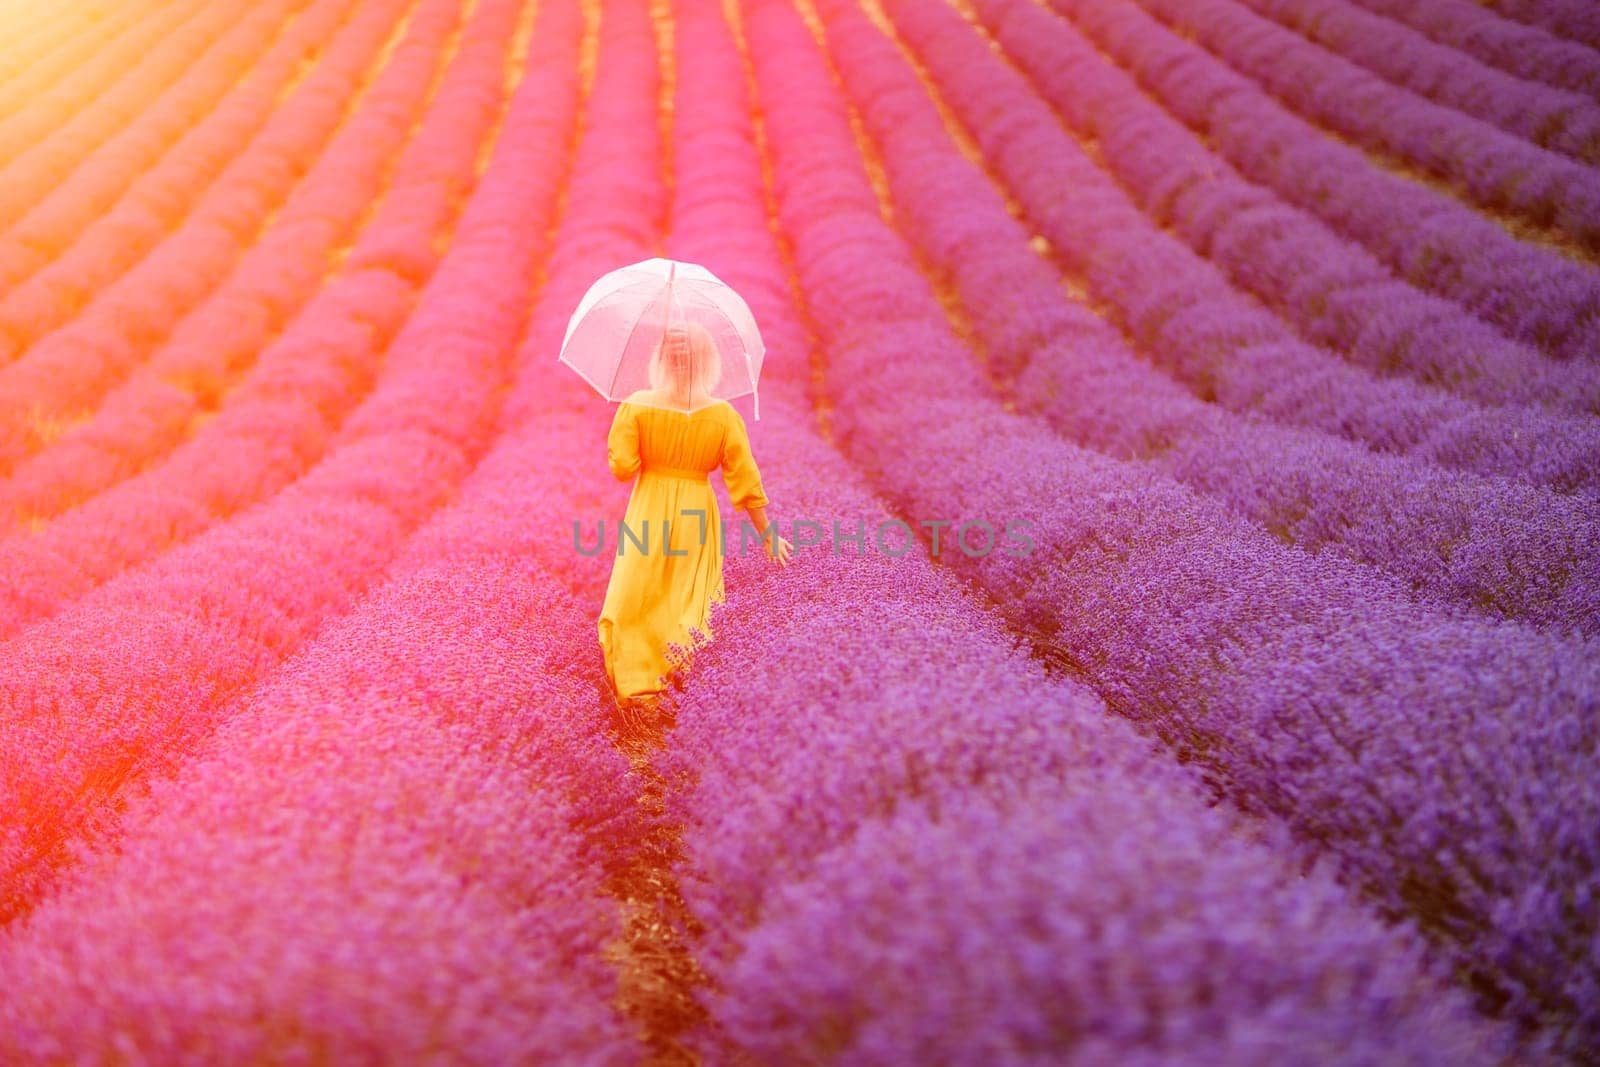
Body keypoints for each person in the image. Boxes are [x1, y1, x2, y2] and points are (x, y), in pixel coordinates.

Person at [597, 320, 794, 708]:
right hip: (696, 511)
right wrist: (768, 535)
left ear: (660, 359)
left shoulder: (636, 404)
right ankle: (682, 685)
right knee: (689, 596)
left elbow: (623, 468)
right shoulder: (722, 415)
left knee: (638, 589)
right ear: (709, 362)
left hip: (649, 507)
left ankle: (637, 689)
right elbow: (744, 479)